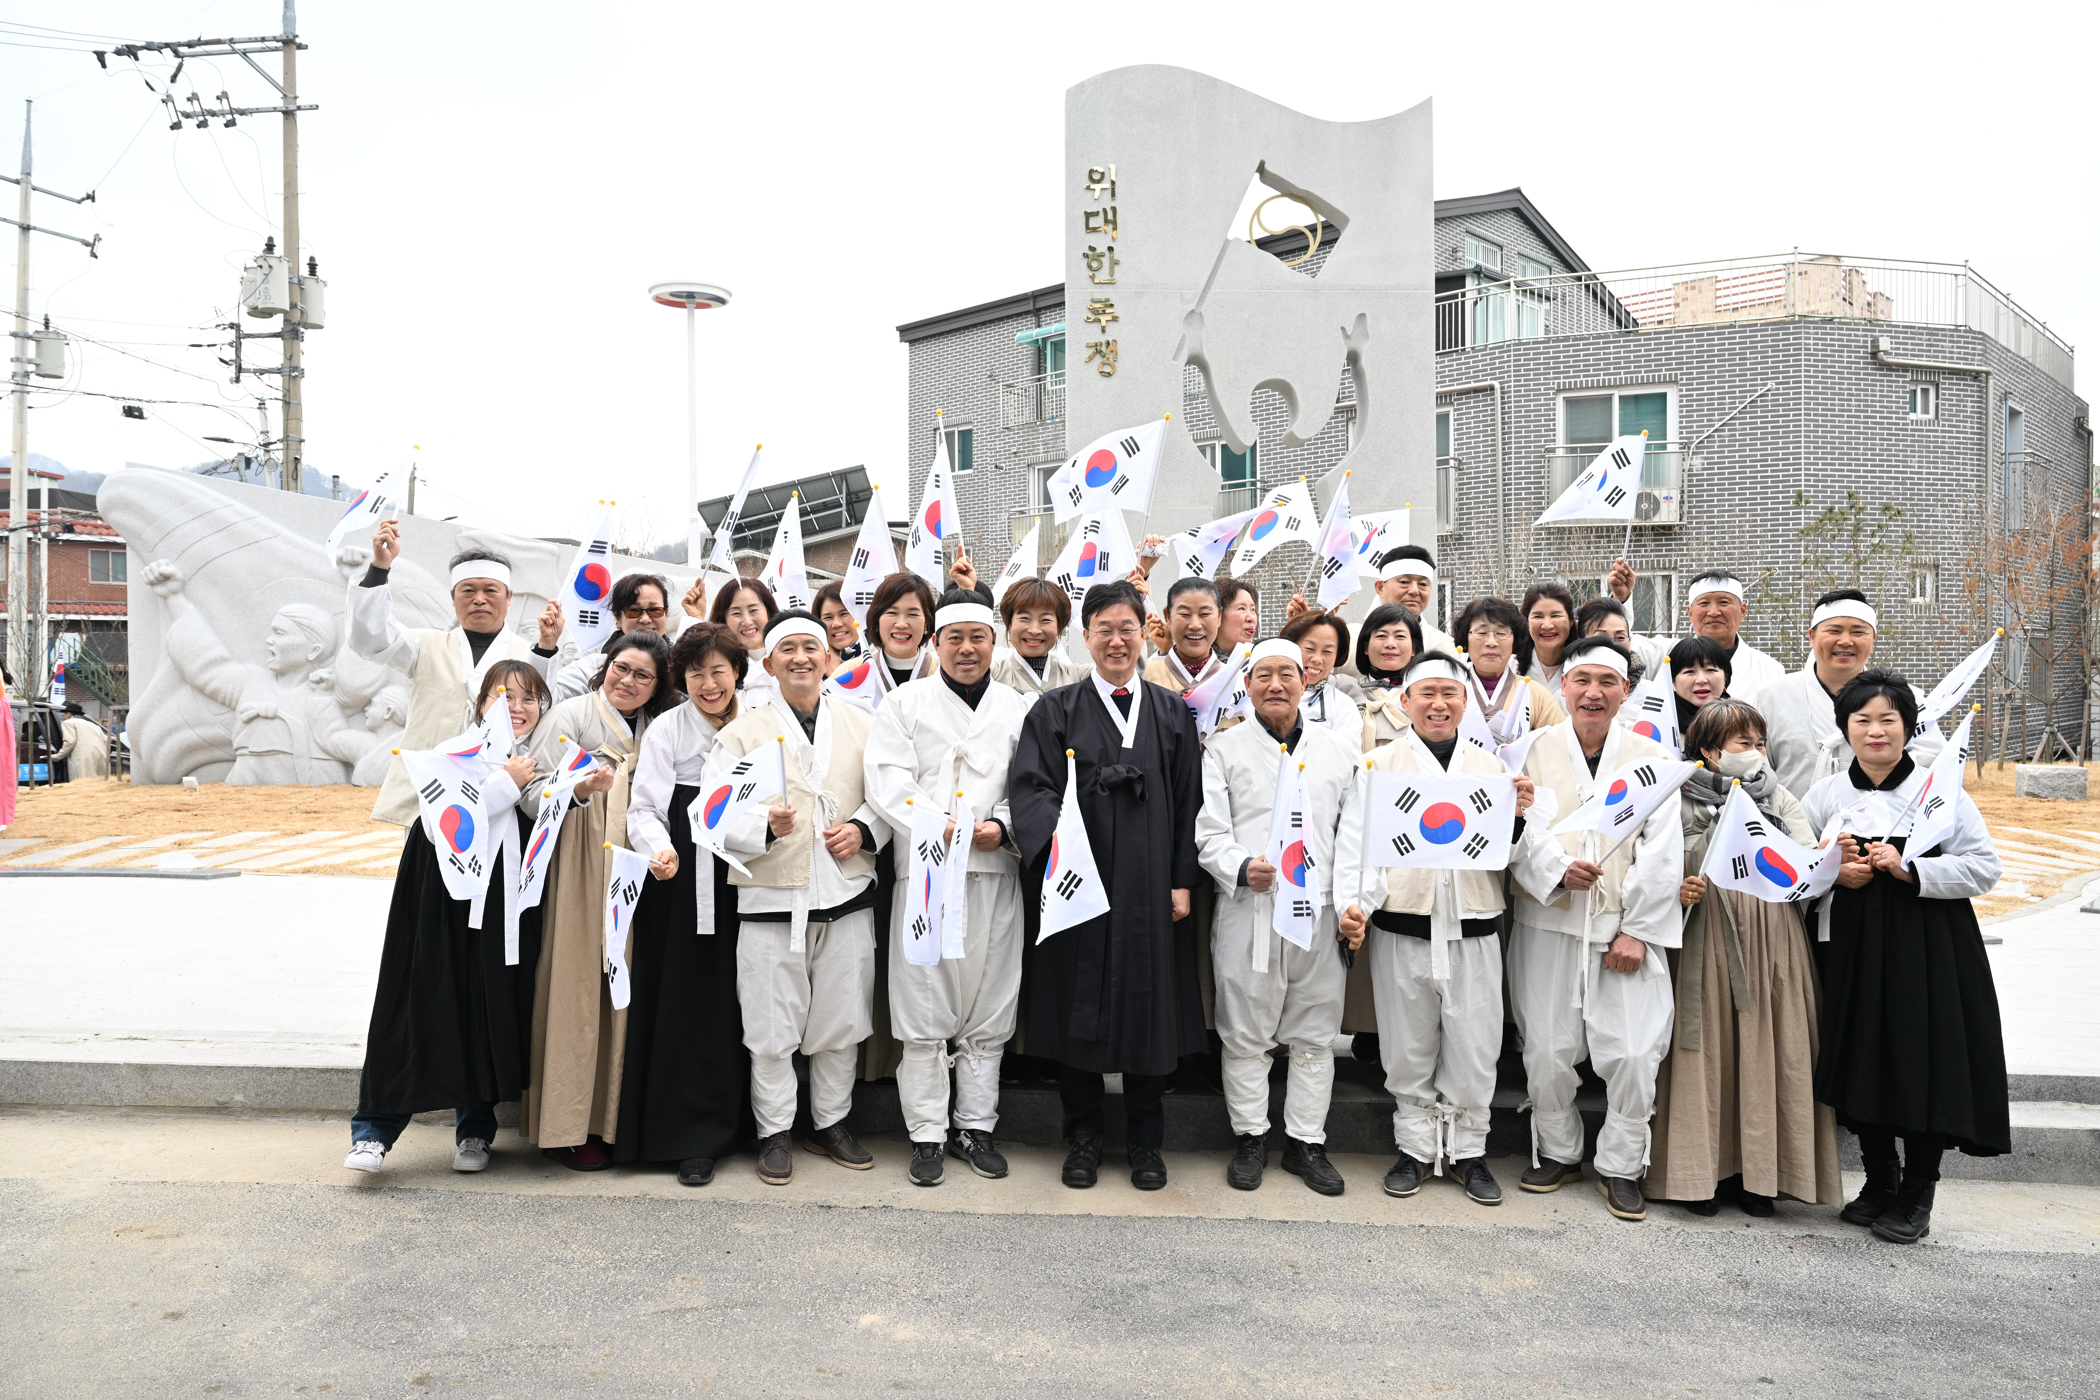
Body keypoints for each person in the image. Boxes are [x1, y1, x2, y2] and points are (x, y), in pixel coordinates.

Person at [1011, 579, 1206, 1192]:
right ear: (1086, 637)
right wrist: (1058, 854)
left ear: (1147, 633)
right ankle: (1085, 1135)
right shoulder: (1054, 710)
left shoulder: (1172, 711)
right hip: (1080, 885)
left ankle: (1147, 1140)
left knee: (1150, 1009)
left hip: (1150, 887)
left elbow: (1188, 802)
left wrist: (1182, 881)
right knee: (1080, 1005)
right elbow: (1031, 789)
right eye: (1104, 630)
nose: (1116, 641)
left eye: (1127, 629)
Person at [1803, 670, 2007, 1244]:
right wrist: (1834, 872)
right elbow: (1796, 870)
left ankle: (1919, 1187)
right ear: (1845, 728)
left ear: (1908, 727)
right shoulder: (1825, 795)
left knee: (1922, 1057)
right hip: (1848, 941)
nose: (1874, 731)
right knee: (1859, 1050)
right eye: (1862, 719)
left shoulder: (1940, 793)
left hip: (1928, 942)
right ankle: (1879, 1179)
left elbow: (1984, 867)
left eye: (1887, 719)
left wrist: (1911, 868)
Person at [1336, 651, 1537, 1206]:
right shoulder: (1377, 766)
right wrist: (1354, 906)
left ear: (1464, 702)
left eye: (1450, 693)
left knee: (1475, 1046)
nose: (1439, 704)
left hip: (1473, 925)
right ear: (1406, 702)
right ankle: (1416, 1150)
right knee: (1408, 1046)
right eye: (1427, 694)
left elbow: (1512, 856)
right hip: (1404, 926)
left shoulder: (1492, 769)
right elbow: (1358, 847)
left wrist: (1517, 815)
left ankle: (1470, 1152)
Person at [345, 661, 551, 1174]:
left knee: (488, 1005)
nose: (517, 709)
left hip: (504, 901)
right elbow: (447, 826)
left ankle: (476, 1131)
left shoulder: (538, 759)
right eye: (504, 698)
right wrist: (505, 784)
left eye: (530, 699)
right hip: (441, 896)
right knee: (418, 998)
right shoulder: (451, 754)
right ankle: (373, 1130)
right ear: (481, 704)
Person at [707, 609, 888, 1186]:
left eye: (812, 647)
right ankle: (775, 1132)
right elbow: (712, 816)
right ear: (768, 663)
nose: (801, 658)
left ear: (829, 658)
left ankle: (831, 1123)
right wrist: (762, 826)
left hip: (846, 894)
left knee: (841, 1021)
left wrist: (863, 830)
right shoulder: (739, 734)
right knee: (770, 1025)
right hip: (770, 900)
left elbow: (891, 797)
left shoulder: (863, 725)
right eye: (788, 650)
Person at [1510, 636, 1685, 1222]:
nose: (1592, 692)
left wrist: (1638, 929)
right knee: (1548, 1052)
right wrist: (1558, 870)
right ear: (1564, 686)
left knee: (1635, 1053)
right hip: (1549, 921)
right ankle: (1559, 1151)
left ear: (1625, 692)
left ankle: (1620, 1164)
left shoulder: (1651, 761)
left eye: (1607, 683)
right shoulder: (1529, 751)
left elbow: (1664, 853)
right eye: (1582, 680)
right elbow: (1517, 831)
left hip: (1622, 932)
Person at [864, 583, 1031, 1186]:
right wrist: (945, 827)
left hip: (994, 870)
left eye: (978, 638)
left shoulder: (1016, 708)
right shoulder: (903, 706)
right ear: (936, 643)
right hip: (928, 870)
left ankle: (975, 1127)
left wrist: (1000, 827)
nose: (967, 649)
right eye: (954, 638)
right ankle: (927, 1134)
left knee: (989, 1002)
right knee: (923, 1004)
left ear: (994, 642)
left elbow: (1032, 784)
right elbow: (887, 781)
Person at [1646, 697, 1840, 1216]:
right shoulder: (1674, 797)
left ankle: (1763, 1177)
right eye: (1742, 743)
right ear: (1709, 750)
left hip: (1772, 933)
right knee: (1705, 1048)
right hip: (1706, 930)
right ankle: (1697, 1176)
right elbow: (1656, 862)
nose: (1755, 753)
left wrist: (1816, 857)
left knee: (1769, 1047)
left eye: (1759, 743)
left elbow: (1805, 860)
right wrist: (1679, 885)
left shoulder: (1778, 796)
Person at [1197, 639, 1359, 1194]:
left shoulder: (1339, 750)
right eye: (1262, 675)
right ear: (1247, 685)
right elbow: (1208, 832)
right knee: (1245, 1030)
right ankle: (1250, 1137)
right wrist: (1241, 865)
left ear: (1304, 681)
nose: (1275, 685)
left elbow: (1354, 837)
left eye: (1285, 674)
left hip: (1319, 909)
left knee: (1314, 1033)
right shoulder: (1224, 750)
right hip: (1251, 909)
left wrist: (1355, 902)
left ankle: (1306, 1142)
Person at [525, 628, 679, 1170]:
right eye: (621, 668)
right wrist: (575, 790)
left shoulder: (660, 727)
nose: (628, 681)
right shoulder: (570, 717)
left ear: (658, 686)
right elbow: (529, 792)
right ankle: (571, 1122)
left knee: (629, 987)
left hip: (641, 865)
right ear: (605, 665)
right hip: (582, 861)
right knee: (579, 982)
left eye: (643, 676)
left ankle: (618, 1120)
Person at [617, 622, 754, 1187]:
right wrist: (661, 848)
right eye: (696, 673)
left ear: (738, 672)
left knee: (745, 996)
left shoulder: (761, 723)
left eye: (718, 670)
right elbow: (643, 808)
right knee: (685, 996)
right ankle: (686, 1132)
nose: (708, 683)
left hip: (751, 873)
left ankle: (751, 1127)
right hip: (681, 879)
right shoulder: (669, 729)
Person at [349, 523, 562, 825]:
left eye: (490, 590)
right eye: (468, 590)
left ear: (509, 596)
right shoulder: (425, 645)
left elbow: (541, 708)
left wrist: (546, 649)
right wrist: (380, 567)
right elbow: (370, 637)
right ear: (453, 596)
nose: (479, 599)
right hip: (430, 794)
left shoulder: (529, 654)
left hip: (500, 794)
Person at [1754, 589, 1941, 800]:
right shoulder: (1770, 698)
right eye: (1834, 631)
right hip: (1791, 826)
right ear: (1812, 637)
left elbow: (1933, 763)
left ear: (1873, 638)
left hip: (1882, 826)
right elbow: (1754, 766)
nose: (1845, 641)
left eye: (1858, 632)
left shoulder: (1907, 698)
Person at [1606, 563, 1786, 697]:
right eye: (1704, 603)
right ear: (1690, 613)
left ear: (1743, 611)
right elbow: (1618, 645)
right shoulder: (1666, 654)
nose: (1714, 612)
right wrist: (1620, 599)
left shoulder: (1770, 670)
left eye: (1724, 602)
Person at [551, 572, 696, 703]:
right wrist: (546, 646)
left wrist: (696, 622)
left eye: (654, 610)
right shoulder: (594, 668)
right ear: (617, 618)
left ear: (666, 613)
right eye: (634, 611)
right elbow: (544, 698)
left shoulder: (678, 669)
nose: (645, 619)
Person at [1454, 596, 1566, 739]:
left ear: (1515, 640)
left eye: (1501, 633)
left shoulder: (1535, 693)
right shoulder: (1448, 688)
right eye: (1482, 633)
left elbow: (1561, 743)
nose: (1491, 642)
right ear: (1465, 638)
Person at [991, 577, 1089, 703]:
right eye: (1025, 618)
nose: (1034, 630)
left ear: (1059, 627)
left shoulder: (1078, 677)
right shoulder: (992, 675)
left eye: (1046, 620)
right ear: (1009, 624)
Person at [1280, 611, 1363, 739]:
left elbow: (1348, 754)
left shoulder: (1343, 705)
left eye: (1327, 651)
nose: (1317, 659)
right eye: (1309, 649)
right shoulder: (1266, 693)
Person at [1354, 604, 1422, 751]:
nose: (1390, 644)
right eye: (1381, 636)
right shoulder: (1346, 690)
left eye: (1400, 636)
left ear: (1414, 649)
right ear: (1365, 647)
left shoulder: (1426, 696)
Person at [865, 572, 941, 701]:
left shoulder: (943, 674)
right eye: (892, 612)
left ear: (927, 623)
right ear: (876, 619)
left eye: (912, 614)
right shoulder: (850, 673)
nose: (901, 624)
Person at [1145, 577, 1227, 690]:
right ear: (1167, 617)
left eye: (1204, 614)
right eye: (1184, 614)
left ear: (1219, 617)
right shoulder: (1144, 679)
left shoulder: (1234, 681)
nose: (1195, 625)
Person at [1369, 547, 1455, 656]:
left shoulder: (1447, 647)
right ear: (1381, 588)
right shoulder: (1352, 641)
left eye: (1423, 584)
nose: (1414, 591)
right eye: (1404, 582)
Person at [711, 577, 779, 706]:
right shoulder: (716, 664)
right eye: (736, 613)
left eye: (753, 610)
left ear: (769, 613)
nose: (747, 622)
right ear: (723, 620)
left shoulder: (788, 660)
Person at [1522, 583, 1580, 695]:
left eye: (1555, 616)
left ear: (1571, 621)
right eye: (1538, 616)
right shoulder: (1511, 667)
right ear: (1527, 621)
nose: (1547, 625)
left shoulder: (1583, 665)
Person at [55, 703, 109, 781]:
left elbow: (70, 742)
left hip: (82, 756)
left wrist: (58, 756)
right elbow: (106, 741)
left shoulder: (68, 723)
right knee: (99, 782)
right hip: (101, 754)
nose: (64, 715)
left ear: (69, 714)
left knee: (82, 782)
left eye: (65, 713)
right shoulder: (94, 725)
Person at [814, 581, 864, 661]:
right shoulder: (812, 663)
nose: (836, 624)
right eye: (827, 617)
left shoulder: (880, 657)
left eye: (844, 614)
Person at [1215, 577, 1261, 657]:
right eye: (1241, 609)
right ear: (1218, 615)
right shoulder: (1197, 665)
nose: (1251, 618)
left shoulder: (1257, 662)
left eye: (1252, 609)